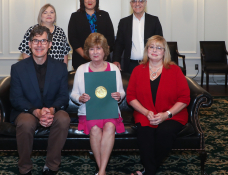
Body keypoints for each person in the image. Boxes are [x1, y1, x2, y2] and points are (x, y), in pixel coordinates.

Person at [10, 25, 70, 175]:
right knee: (25, 122)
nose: (39, 45)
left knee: (63, 118)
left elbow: (64, 96)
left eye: (43, 41)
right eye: (35, 41)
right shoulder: (17, 68)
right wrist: (36, 112)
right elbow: (16, 98)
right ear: (29, 44)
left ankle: (51, 167)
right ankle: (25, 168)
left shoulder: (60, 68)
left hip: (52, 111)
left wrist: (51, 110)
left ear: (50, 44)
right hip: (28, 111)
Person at [126, 35, 190, 175]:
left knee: (165, 133)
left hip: (172, 114)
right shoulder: (138, 70)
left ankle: (147, 172)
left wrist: (166, 115)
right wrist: (145, 112)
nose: (154, 50)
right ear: (147, 50)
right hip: (144, 113)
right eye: (151, 47)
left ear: (164, 52)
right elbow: (130, 97)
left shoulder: (175, 70)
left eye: (159, 48)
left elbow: (185, 98)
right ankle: (150, 171)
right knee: (144, 135)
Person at [70, 33, 125, 175]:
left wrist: (119, 96)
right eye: (92, 49)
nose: (95, 52)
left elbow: (122, 92)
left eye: (98, 49)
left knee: (110, 126)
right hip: (89, 111)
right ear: (88, 51)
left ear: (104, 51)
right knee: (94, 129)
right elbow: (73, 94)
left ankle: (101, 172)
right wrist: (80, 98)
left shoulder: (113, 68)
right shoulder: (81, 69)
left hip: (110, 110)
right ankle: (103, 171)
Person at [113, 0, 163, 74]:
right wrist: (116, 60)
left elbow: (160, 43)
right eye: (134, 1)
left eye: (140, 1)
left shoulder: (154, 21)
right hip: (130, 65)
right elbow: (119, 44)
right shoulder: (123, 22)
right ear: (130, 4)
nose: (137, 4)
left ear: (145, 3)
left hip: (151, 64)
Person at [68, 0, 115, 70]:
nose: (90, 1)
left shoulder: (105, 15)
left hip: (103, 61)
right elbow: (73, 38)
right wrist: (85, 55)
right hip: (81, 60)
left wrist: (102, 55)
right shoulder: (75, 16)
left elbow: (110, 37)